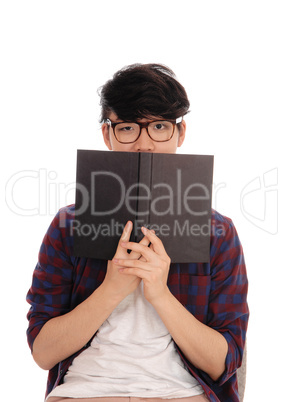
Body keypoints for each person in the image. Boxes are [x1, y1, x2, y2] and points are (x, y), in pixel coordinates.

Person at [26, 63, 249, 402]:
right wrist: (113, 287)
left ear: (180, 133)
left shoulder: (217, 233)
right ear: (107, 134)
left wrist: (159, 292)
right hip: (85, 393)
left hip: (182, 394)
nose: (145, 145)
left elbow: (224, 362)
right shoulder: (67, 227)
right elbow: (43, 353)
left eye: (160, 126)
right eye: (128, 127)